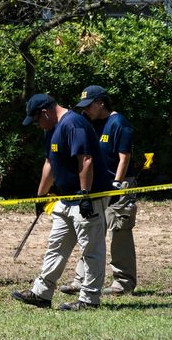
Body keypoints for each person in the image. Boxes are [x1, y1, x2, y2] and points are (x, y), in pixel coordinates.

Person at [12, 94, 113, 311]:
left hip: (87, 199)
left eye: (37, 120)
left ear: (45, 113)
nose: (38, 126)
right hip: (65, 200)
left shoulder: (73, 124)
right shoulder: (52, 129)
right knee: (55, 247)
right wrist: (40, 196)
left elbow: (85, 160)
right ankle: (41, 293)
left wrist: (85, 195)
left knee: (91, 250)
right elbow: (50, 163)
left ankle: (89, 299)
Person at [59, 85, 138, 296]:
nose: (85, 111)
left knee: (119, 231)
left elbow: (124, 158)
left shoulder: (119, 123)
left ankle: (123, 282)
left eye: (89, 106)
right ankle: (81, 278)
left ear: (101, 103)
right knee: (91, 230)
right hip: (99, 186)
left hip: (118, 186)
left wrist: (117, 185)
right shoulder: (94, 124)